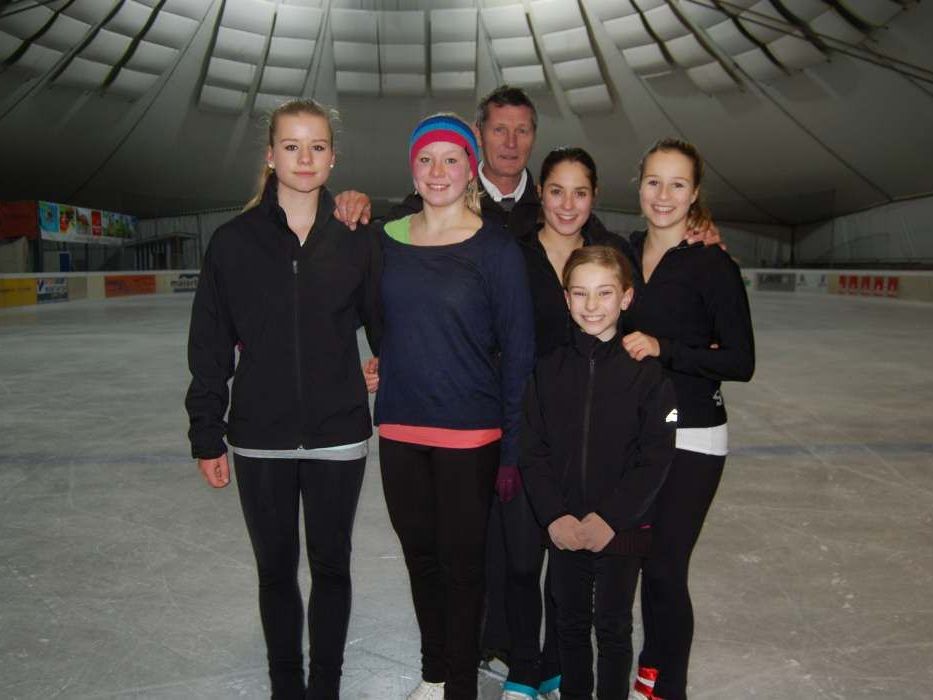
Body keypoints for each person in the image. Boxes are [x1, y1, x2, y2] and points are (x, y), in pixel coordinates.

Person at [184, 99, 381, 700]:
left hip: (338, 434)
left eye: (317, 146)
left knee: (331, 568)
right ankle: (286, 688)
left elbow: (387, 322)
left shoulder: (356, 237)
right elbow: (210, 343)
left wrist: (383, 365)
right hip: (259, 437)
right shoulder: (232, 244)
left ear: (332, 159)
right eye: (291, 146)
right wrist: (206, 431)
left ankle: (325, 686)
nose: (304, 157)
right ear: (270, 156)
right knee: (275, 572)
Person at [373, 113, 535, 700]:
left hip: (470, 435)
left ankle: (461, 686)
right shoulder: (385, 239)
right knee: (422, 562)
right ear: (411, 170)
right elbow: (372, 316)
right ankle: (435, 675)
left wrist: (513, 450)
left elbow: (518, 354)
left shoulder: (496, 249)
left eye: (451, 159)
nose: (437, 171)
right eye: (425, 159)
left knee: (465, 572)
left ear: (471, 168)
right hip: (399, 429)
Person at [621, 139, 755, 700]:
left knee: (666, 569)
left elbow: (741, 361)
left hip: (694, 433)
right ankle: (649, 674)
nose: (664, 195)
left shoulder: (711, 263)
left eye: (678, 184)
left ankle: (665, 687)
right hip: (636, 436)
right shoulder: (621, 251)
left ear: (695, 193)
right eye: (655, 181)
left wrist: (665, 348)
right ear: (640, 184)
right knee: (638, 566)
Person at [520, 245, 677, 700]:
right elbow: (532, 449)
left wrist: (612, 519)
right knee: (568, 624)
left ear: (626, 298)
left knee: (612, 628)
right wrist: (554, 516)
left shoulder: (648, 376)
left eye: (604, 293)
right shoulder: (547, 370)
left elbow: (655, 457)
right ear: (566, 299)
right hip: (565, 525)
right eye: (581, 293)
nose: (592, 306)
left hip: (620, 530)